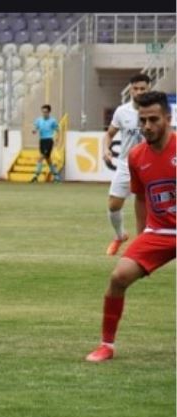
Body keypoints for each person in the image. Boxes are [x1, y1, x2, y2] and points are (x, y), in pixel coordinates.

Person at [85, 91, 176, 363]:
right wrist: (142, 238)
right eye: (143, 120)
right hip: (158, 233)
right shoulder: (136, 156)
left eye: (153, 120)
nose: (147, 126)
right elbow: (141, 197)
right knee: (118, 277)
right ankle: (106, 346)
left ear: (168, 119)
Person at [103, 74, 152, 256]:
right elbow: (109, 134)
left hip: (149, 165)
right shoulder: (121, 111)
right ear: (130, 90)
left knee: (146, 206)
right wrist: (106, 149)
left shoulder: (155, 110)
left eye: (142, 89)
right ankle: (120, 235)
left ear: (149, 89)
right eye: (135, 88)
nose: (139, 92)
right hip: (126, 164)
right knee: (113, 205)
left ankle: (143, 246)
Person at [30, 104, 62, 183]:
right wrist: (34, 130)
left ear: (49, 112)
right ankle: (57, 176)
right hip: (42, 141)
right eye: (43, 112)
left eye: (46, 112)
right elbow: (35, 127)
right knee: (48, 160)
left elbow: (57, 129)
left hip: (49, 141)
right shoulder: (39, 120)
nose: (44, 114)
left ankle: (35, 175)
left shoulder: (52, 121)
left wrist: (57, 138)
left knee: (41, 157)